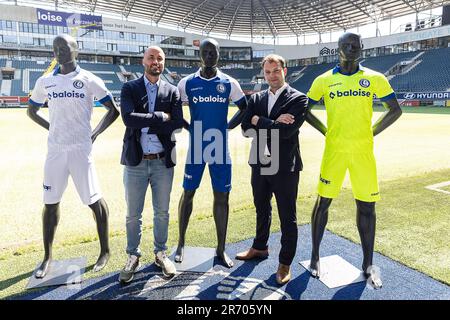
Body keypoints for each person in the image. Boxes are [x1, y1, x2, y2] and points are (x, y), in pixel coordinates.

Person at [305, 32, 402, 289]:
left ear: (361, 48)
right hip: (334, 151)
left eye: (355, 45)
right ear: (338, 49)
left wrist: (372, 131)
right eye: (346, 45)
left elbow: (395, 110)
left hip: (363, 153)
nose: (351, 48)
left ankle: (368, 265)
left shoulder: (374, 79)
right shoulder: (324, 80)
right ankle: (315, 257)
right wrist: (326, 130)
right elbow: (305, 111)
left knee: (367, 207)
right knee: (323, 202)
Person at [27, 34, 120, 278]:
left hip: (80, 150)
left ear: (75, 50)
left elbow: (113, 110)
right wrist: (52, 129)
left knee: (94, 199)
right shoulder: (45, 81)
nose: (59, 51)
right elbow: (32, 111)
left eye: (64, 47)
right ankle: (47, 257)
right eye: (55, 48)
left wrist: (95, 133)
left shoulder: (89, 79)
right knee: (50, 202)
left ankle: (105, 251)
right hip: (55, 151)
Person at [175, 38, 247, 268]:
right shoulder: (186, 83)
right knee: (188, 194)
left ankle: (221, 249)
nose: (208, 56)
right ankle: (180, 244)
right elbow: (175, 111)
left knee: (222, 197)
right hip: (196, 148)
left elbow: (245, 107)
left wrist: (228, 126)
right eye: (205, 52)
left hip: (220, 149)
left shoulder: (228, 82)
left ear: (218, 54)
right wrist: (190, 128)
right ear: (199, 55)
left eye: (212, 52)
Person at [238, 54, 308, 285]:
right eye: (267, 72)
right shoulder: (256, 97)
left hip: (285, 165)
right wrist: (271, 121)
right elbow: (245, 127)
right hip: (259, 161)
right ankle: (260, 247)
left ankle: (284, 262)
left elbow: (286, 132)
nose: (271, 76)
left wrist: (260, 120)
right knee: (261, 207)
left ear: (284, 71)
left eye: (275, 71)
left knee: (287, 216)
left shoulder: (299, 99)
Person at [118, 46, 183, 283]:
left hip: (162, 163)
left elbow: (175, 124)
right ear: (143, 60)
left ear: (163, 63)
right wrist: (159, 117)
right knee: (133, 215)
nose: (156, 62)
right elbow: (128, 118)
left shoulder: (172, 91)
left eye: (160, 58)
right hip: (136, 162)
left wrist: (145, 121)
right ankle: (133, 256)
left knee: (162, 212)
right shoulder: (130, 88)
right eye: (151, 58)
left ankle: (160, 253)